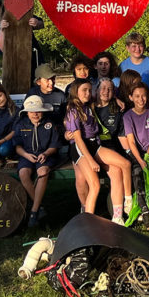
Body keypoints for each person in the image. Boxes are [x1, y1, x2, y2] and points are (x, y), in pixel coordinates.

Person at [13, 95, 60, 228]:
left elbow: (54, 146)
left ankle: (33, 211)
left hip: (45, 155)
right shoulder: (21, 124)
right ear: (27, 112)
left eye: (38, 111)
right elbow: (17, 146)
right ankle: (39, 207)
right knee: (23, 173)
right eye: (32, 111)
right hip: (27, 155)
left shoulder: (50, 124)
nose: (35, 114)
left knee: (43, 172)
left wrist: (45, 153)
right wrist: (27, 156)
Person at [94, 78, 134, 217]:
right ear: (97, 90)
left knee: (117, 172)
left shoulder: (116, 109)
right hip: (94, 149)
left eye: (110, 89)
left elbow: (122, 135)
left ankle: (117, 217)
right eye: (103, 88)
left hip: (111, 150)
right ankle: (129, 200)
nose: (106, 91)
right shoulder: (89, 107)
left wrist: (130, 151)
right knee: (125, 164)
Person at [122, 82, 149, 229]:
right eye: (137, 96)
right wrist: (140, 160)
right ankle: (144, 210)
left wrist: (148, 155)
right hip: (137, 152)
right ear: (131, 97)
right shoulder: (128, 116)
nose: (141, 99)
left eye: (144, 96)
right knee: (137, 173)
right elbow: (131, 142)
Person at [0, 0, 44, 83]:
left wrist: (36, 23)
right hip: (13, 67)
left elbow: (41, 24)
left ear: (2, 6)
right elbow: (2, 50)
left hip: (35, 61)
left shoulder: (17, 14)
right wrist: (2, 30)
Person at [64, 78, 102, 215]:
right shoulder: (73, 110)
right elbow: (77, 139)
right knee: (90, 182)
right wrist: (91, 160)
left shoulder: (88, 106)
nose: (88, 93)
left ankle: (86, 210)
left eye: (89, 90)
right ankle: (87, 215)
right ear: (76, 92)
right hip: (79, 147)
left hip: (91, 144)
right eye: (84, 90)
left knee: (82, 178)